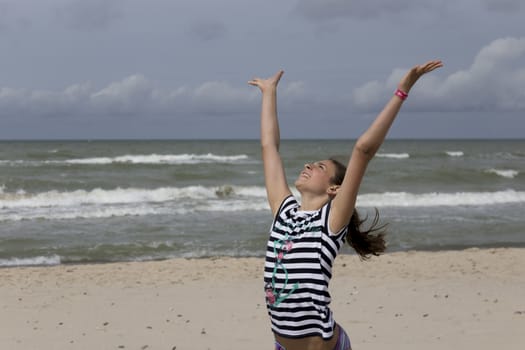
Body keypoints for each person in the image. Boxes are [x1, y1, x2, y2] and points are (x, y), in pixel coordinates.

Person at [248, 60, 443, 350]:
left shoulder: (330, 221)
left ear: (334, 188)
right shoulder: (283, 212)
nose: (308, 165)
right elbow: (269, 147)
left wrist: (402, 90)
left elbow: (363, 150)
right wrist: (269, 94)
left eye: (319, 166)